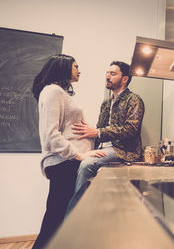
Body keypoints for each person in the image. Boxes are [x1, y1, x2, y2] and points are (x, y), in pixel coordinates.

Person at [31, 54, 105, 249]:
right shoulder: (52, 91)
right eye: (75, 66)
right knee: (55, 219)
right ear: (63, 68)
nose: (79, 70)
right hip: (64, 163)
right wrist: (79, 155)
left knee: (61, 218)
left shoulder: (59, 92)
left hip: (68, 163)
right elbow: (50, 135)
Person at [65, 61, 145, 214]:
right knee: (72, 161)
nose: (107, 77)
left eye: (113, 74)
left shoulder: (134, 100)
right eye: (107, 73)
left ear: (124, 79)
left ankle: (73, 218)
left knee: (87, 164)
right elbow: (99, 128)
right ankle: (86, 215)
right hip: (103, 148)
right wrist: (87, 133)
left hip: (124, 151)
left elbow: (131, 129)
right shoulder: (106, 102)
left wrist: (99, 133)